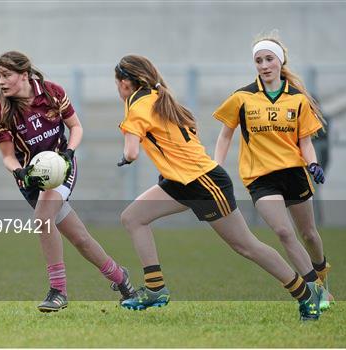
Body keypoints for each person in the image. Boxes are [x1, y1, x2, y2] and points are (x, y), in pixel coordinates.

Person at [114, 54, 323, 321]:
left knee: (247, 246)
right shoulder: (156, 97)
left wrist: (126, 155)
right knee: (133, 217)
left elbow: (131, 153)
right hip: (180, 181)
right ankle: (155, 289)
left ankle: (306, 295)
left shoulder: (139, 106)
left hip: (204, 184)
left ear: (124, 84)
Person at [0, 51, 135, 312]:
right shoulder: (0, 112)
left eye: (6, 75)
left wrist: (69, 152)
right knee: (80, 238)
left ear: (23, 75)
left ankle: (58, 291)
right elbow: (8, 157)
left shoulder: (52, 92)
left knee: (42, 219)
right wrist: (20, 172)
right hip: (31, 181)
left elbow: (76, 127)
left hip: (61, 167)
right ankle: (121, 279)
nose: (0, 81)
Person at [212, 33, 333, 310]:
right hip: (260, 177)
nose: (264, 65)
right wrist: (215, 168)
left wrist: (312, 164)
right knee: (283, 232)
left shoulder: (298, 99)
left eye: (269, 59)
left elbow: (305, 142)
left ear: (280, 61)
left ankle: (322, 273)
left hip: (293, 173)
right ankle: (316, 291)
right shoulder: (242, 97)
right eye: (258, 60)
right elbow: (225, 136)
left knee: (309, 235)